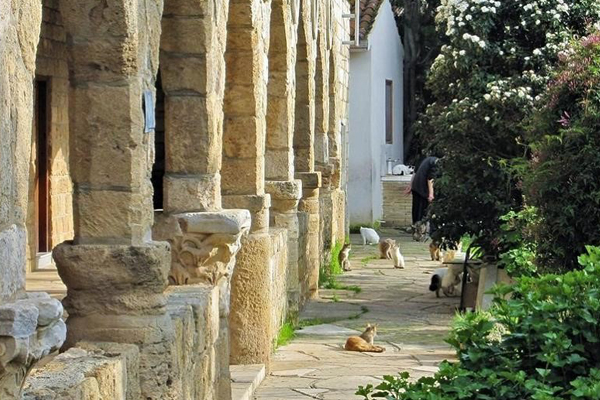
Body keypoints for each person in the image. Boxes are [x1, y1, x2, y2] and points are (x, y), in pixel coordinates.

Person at [404, 156, 439, 225]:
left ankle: (416, 228)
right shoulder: (435, 162)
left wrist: (410, 185)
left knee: (416, 212)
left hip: (416, 187)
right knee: (422, 213)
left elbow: (415, 171)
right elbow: (430, 178)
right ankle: (420, 230)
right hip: (423, 190)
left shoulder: (425, 158)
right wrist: (431, 195)